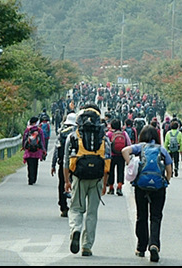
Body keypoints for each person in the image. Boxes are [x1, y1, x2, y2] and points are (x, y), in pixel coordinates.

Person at [63, 104, 111, 257]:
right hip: (97, 178)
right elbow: (107, 161)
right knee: (92, 213)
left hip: (79, 176)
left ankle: (75, 229)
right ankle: (87, 246)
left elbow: (66, 161)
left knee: (76, 208)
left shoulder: (73, 136)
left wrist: (67, 181)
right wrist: (104, 183)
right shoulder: (103, 137)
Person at [121, 125, 173, 263]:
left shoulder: (140, 147)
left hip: (141, 186)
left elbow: (124, 150)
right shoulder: (161, 149)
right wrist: (165, 181)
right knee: (156, 217)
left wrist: (131, 164)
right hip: (158, 187)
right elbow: (169, 169)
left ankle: (141, 247)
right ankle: (154, 244)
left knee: (141, 216)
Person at [51, 112, 76, 217]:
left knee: (62, 184)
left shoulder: (61, 133)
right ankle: (75, 206)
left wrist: (53, 165)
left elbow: (56, 149)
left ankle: (63, 207)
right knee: (75, 184)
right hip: (75, 163)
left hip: (62, 163)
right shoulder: (78, 133)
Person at [106, 118, 132, 196]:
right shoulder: (124, 133)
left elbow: (105, 145)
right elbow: (129, 143)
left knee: (111, 171)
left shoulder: (109, 134)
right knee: (120, 171)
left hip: (111, 156)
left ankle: (111, 188)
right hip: (121, 155)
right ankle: (119, 187)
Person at [22, 116, 47, 185]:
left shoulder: (27, 130)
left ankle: (30, 179)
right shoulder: (39, 130)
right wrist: (43, 150)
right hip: (37, 150)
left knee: (29, 165)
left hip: (29, 150)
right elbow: (42, 140)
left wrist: (24, 147)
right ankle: (34, 179)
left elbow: (24, 139)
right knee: (35, 165)